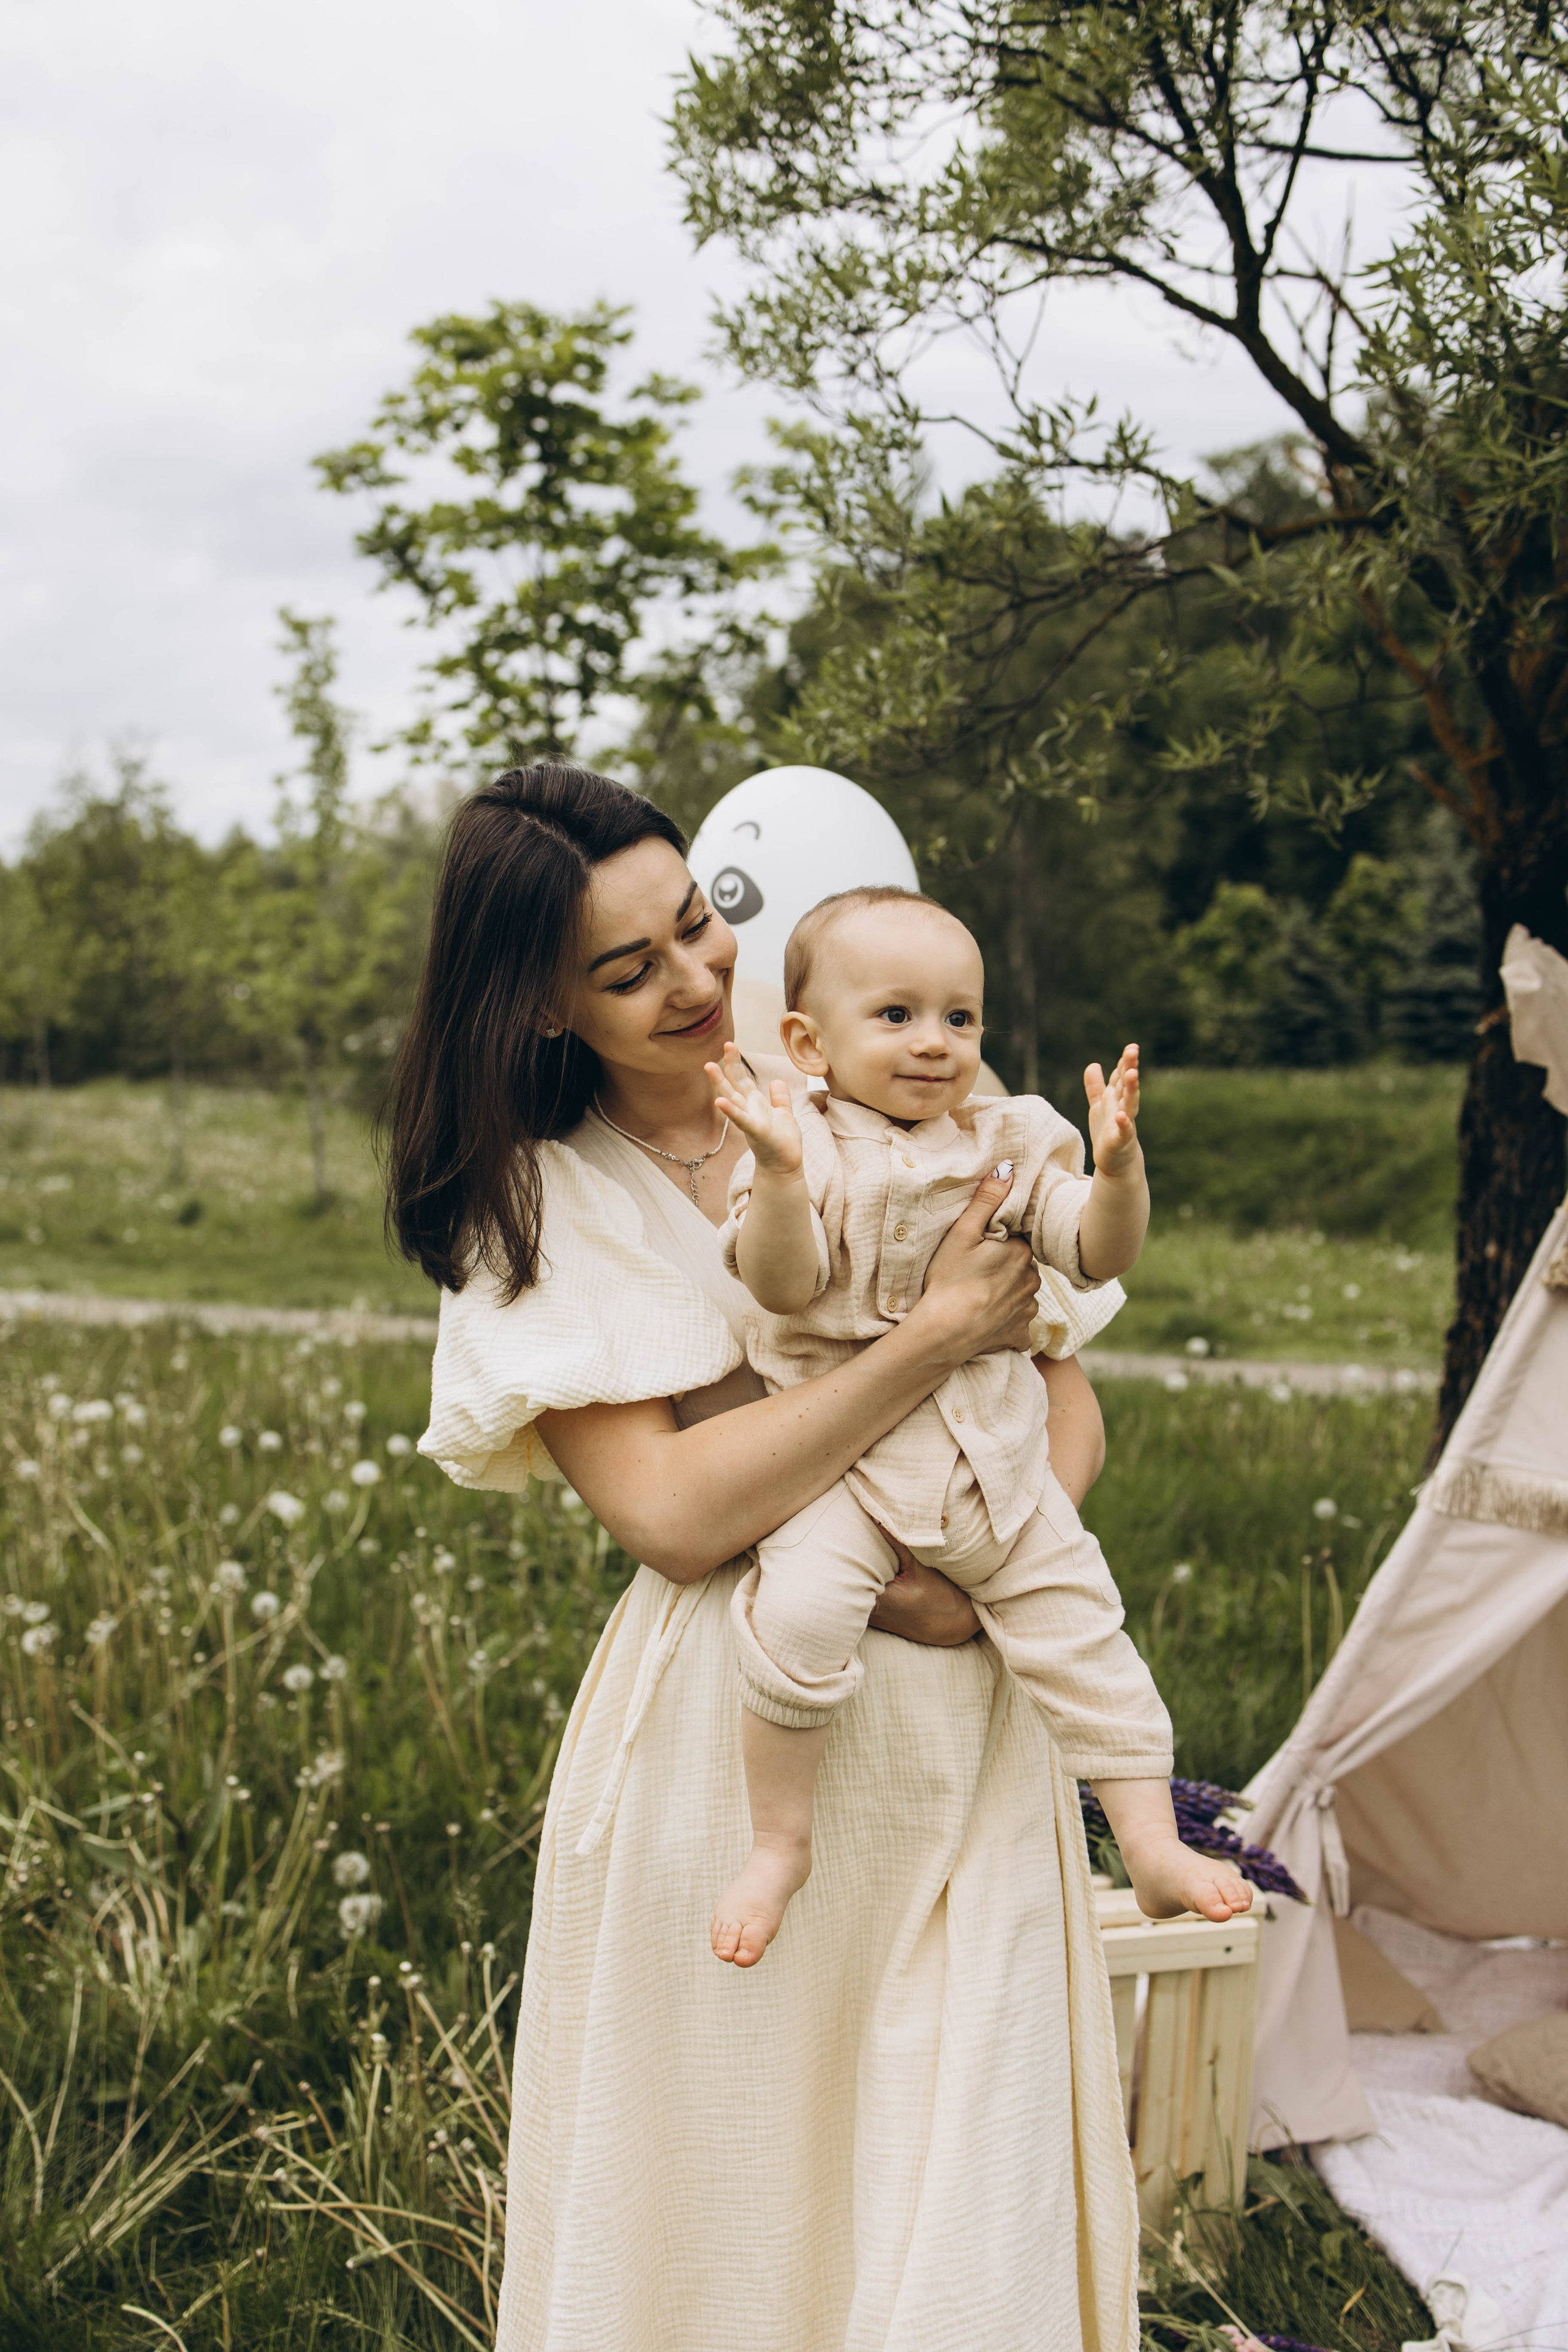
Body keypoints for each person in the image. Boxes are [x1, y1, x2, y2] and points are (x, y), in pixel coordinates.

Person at [398, 762, 1151, 2351]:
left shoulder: (872, 1059)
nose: (697, 977)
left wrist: (981, 1574)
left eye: (697, 921)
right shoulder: (536, 1197)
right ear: (538, 1005)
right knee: (745, 2210)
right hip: (740, 1742)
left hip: (972, 1725)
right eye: (629, 969)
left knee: (974, 2188)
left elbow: (1063, 1396)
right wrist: (933, 1336)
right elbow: (674, 1513)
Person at [705, 887, 1251, 1966]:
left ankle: (1151, 1844)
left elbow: (1092, 1252)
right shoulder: (798, 1147)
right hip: (847, 1473)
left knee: (1085, 1627)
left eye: (960, 1018)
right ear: (809, 1044)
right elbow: (783, 1283)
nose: (935, 1042)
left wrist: (1118, 1176)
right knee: (797, 1615)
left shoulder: (1009, 1145)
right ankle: (779, 1843)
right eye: (897, 1015)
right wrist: (773, 1174)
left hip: (991, 1460)